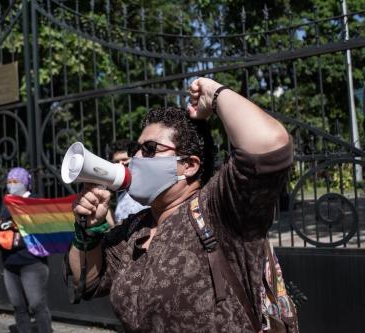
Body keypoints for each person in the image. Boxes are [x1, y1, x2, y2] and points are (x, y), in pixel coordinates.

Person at [66, 77, 293, 332]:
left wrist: (214, 93)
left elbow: (271, 145)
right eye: (136, 148)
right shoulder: (135, 229)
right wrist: (89, 229)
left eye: (150, 149)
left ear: (189, 165)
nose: (136, 158)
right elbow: (87, 283)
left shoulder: (218, 209)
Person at [0, 167, 51, 333]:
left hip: (31, 263)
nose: (12, 185)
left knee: (37, 305)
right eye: (9, 182)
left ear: (25, 183)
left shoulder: (35, 201)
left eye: (16, 181)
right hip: (9, 263)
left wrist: (10, 226)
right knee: (19, 306)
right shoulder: (6, 202)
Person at [106, 139, 149, 225]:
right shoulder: (122, 196)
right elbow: (116, 227)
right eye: (116, 162)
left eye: (124, 160)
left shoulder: (150, 191)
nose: (120, 164)